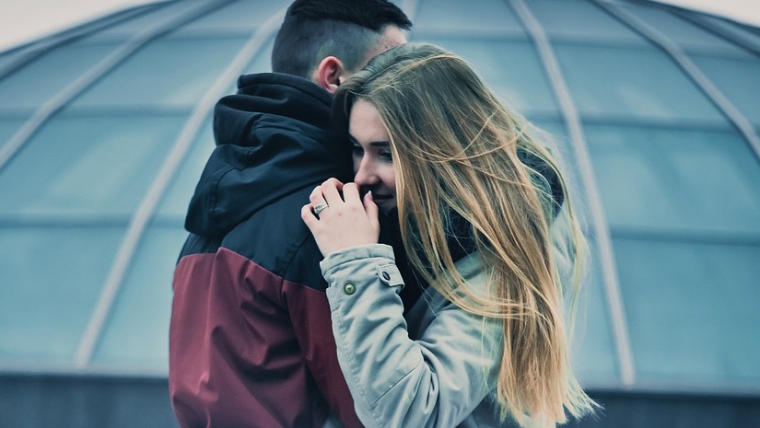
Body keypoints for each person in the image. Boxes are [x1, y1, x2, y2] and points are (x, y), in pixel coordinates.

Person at [302, 43, 597, 428]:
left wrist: (355, 260)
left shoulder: (501, 252)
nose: (362, 176)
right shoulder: (409, 222)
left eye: (387, 153)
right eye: (358, 149)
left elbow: (409, 414)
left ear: (443, 150)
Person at [169, 1, 411, 427]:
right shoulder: (332, 215)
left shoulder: (225, 192)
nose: (405, 88)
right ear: (333, 76)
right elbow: (381, 407)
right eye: (388, 71)